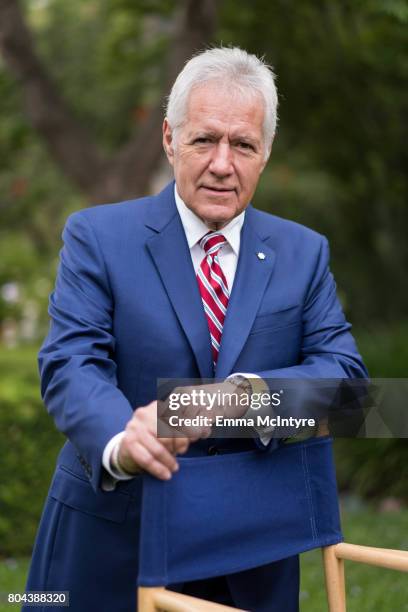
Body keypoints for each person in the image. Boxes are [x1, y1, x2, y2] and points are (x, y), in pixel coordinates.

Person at [25, 46, 367, 611]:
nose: (222, 164)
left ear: (266, 154)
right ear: (169, 138)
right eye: (205, 139)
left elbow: (350, 390)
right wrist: (123, 440)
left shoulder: (304, 253)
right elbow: (69, 364)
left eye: (243, 145)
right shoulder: (96, 237)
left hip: (252, 564)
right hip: (113, 551)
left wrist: (229, 402)